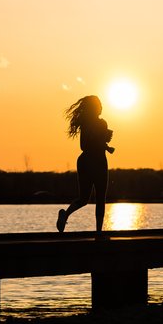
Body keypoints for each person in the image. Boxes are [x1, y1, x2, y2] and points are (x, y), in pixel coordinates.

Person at [56, 94, 115, 233]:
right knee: (93, 198)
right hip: (94, 162)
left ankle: (68, 216)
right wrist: (104, 143)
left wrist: (106, 145)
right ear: (94, 108)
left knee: (89, 199)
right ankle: (97, 231)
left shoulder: (94, 124)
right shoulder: (95, 124)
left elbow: (96, 143)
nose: (102, 107)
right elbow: (85, 145)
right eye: (99, 105)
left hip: (89, 161)